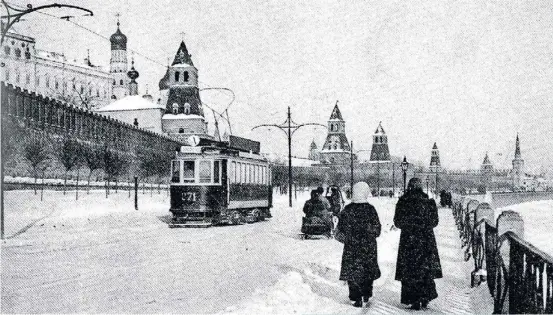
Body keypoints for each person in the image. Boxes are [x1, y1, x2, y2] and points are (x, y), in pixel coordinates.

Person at [394, 178, 442, 310]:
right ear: (421, 187)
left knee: (410, 270)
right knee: (425, 269)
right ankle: (425, 297)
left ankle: (413, 299)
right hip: (425, 240)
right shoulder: (428, 202)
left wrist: (410, 225)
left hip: (408, 241)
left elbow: (397, 222)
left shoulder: (403, 202)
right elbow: (434, 222)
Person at [337, 182, 381, 308]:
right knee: (368, 269)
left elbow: (339, 231)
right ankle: (366, 293)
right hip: (368, 246)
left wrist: (348, 239)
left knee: (353, 271)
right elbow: (377, 230)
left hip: (352, 246)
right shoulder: (371, 209)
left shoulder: (347, 210)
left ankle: (356, 297)